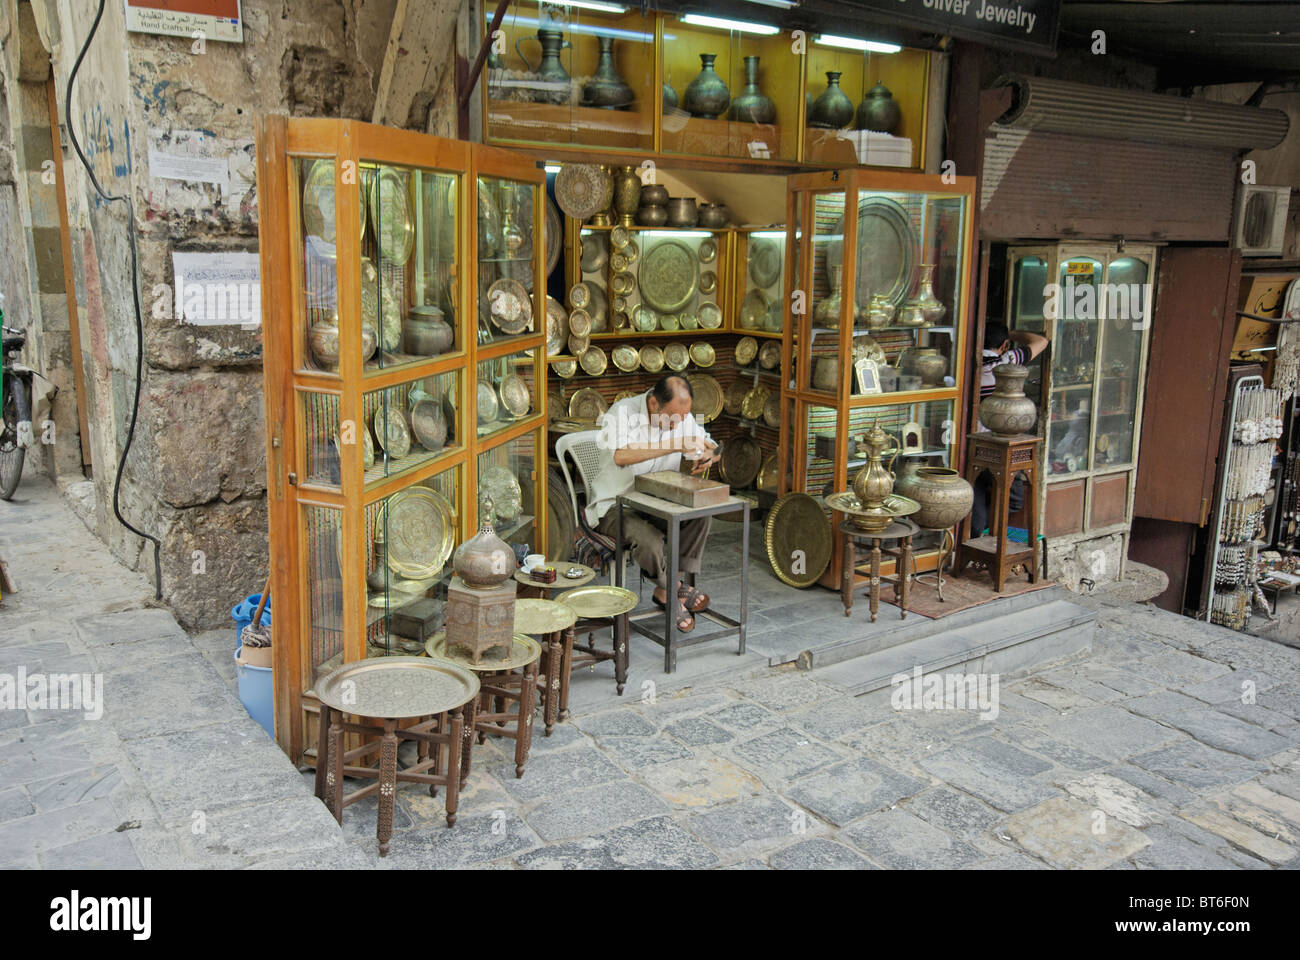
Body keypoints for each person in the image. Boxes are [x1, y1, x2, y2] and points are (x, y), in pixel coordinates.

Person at [588, 375, 720, 633]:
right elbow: (620, 456)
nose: (679, 423)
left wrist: (709, 456)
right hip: (615, 506)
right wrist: (674, 444)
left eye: (684, 417)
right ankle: (673, 590)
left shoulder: (680, 415)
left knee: (701, 515)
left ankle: (666, 589)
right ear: (652, 403)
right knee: (648, 540)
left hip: (658, 502)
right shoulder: (622, 413)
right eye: (673, 418)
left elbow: (711, 444)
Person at [971, 321, 1049, 536]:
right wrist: (1012, 333)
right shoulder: (1007, 361)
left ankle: (978, 530)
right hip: (998, 443)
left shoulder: (969, 365)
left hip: (972, 443)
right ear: (1004, 344)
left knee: (975, 489)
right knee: (1012, 499)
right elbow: (1041, 341)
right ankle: (984, 531)